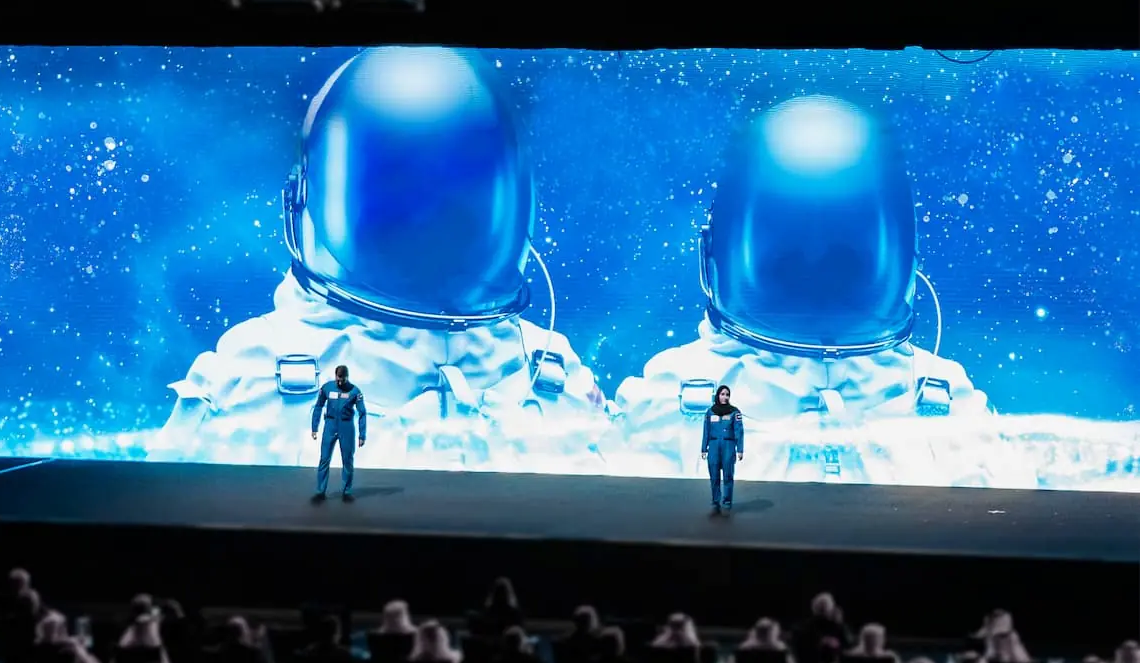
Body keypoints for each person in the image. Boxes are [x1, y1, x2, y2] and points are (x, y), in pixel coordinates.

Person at [151, 47, 617, 473]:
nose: (428, 220)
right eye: (401, 193)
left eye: (453, 194)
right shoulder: (250, 377)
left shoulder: (549, 372)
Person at [616, 95, 1032, 488]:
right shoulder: (669, 399)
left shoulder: (949, 405)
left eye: (842, 256)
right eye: (792, 256)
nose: (815, 269)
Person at [311, 365, 367, 502]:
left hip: (346, 426)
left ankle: (347, 491)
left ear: (347, 377)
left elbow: (362, 413)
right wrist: (314, 427)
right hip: (330, 425)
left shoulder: (355, 391)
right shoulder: (327, 388)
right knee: (324, 458)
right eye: (338, 379)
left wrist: (362, 435)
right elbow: (318, 406)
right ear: (335, 376)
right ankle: (320, 491)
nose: (340, 382)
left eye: (343, 379)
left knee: (347, 460)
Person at [702, 384, 744, 513]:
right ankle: (715, 501)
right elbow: (706, 431)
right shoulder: (710, 412)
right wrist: (703, 448)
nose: (725, 397)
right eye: (722, 394)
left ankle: (727, 501)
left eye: (727, 394)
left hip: (728, 446)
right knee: (714, 476)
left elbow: (739, 431)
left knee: (728, 475)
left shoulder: (734, 412)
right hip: (714, 446)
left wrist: (740, 449)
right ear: (717, 395)